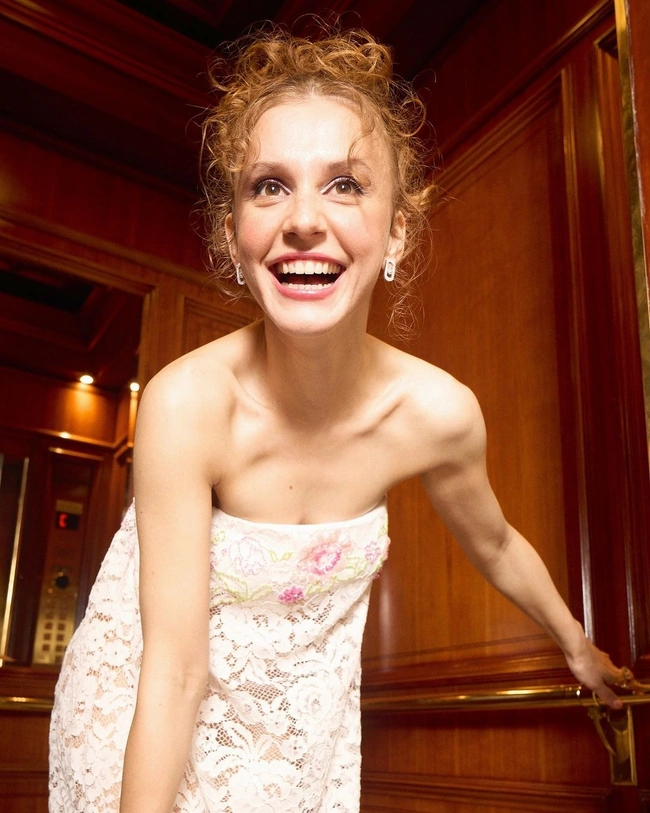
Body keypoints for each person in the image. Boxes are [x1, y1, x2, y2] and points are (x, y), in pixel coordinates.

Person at [49, 26, 626, 813]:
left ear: (397, 230)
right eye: (269, 186)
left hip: (297, 723)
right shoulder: (187, 404)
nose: (303, 220)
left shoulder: (436, 412)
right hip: (145, 700)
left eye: (345, 184)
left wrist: (577, 647)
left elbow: (494, 542)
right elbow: (175, 669)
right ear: (233, 236)